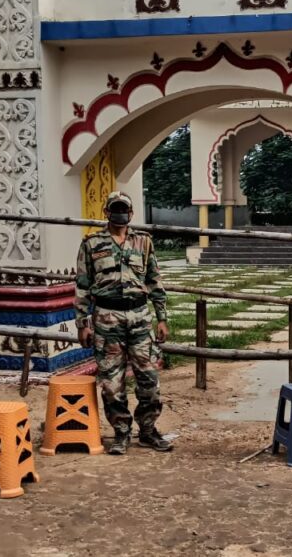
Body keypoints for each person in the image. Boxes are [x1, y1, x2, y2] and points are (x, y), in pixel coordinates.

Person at [75, 191, 172, 455]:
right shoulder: (92, 243)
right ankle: (121, 433)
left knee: (149, 379)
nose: (120, 213)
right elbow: (83, 285)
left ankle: (148, 431)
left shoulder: (144, 242)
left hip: (140, 318)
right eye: (115, 209)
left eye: (124, 209)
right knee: (111, 382)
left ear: (131, 213)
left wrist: (162, 318)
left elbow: (154, 281)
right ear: (106, 212)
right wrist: (83, 323)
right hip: (107, 319)